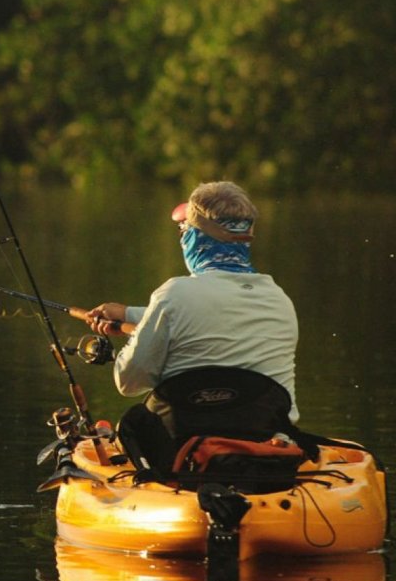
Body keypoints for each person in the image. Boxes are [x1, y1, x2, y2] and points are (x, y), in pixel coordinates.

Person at [79, 181, 299, 472]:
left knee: (134, 420)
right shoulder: (280, 300)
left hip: (184, 453)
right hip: (264, 445)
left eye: (184, 231)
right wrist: (130, 314)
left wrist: (133, 336)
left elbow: (129, 381)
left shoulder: (173, 295)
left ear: (196, 239)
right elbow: (217, 312)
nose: (182, 238)